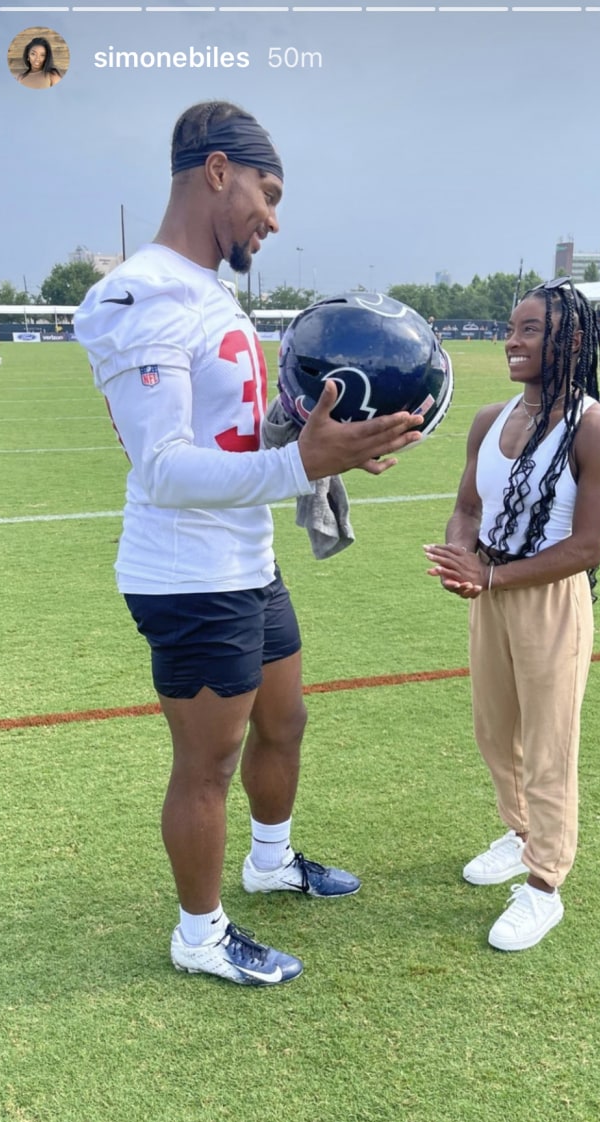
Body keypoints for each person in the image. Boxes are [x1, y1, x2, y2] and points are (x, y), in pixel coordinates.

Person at [74, 101, 423, 988]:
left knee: (286, 721)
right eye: (267, 193)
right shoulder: (143, 293)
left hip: (244, 558)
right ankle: (199, 933)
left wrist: (315, 438)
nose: (274, 218)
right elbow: (164, 469)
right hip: (187, 574)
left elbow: (233, 437)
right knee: (210, 762)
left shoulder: (211, 293)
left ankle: (270, 859)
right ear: (218, 170)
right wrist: (303, 464)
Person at [424, 277, 600, 952]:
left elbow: (588, 545)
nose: (512, 340)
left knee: (548, 747)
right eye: (511, 328)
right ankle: (519, 836)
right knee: (495, 730)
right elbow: (468, 509)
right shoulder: (489, 419)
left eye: (530, 330)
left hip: (549, 600)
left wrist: (494, 573)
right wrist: (462, 558)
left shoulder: (596, 431)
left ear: (572, 340)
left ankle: (544, 885)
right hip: (492, 593)